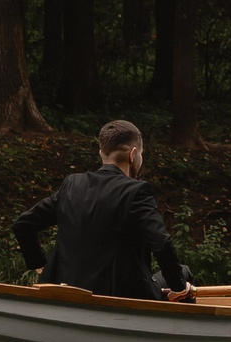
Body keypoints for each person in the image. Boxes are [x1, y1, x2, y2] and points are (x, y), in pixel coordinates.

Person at [14, 120, 196, 302]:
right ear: (133, 154)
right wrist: (178, 287)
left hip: (66, 290)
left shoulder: (72, 185)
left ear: (101, 153)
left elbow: (23, 225)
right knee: (184, 273)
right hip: (120, 298)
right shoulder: (137, 192)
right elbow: (162, 244)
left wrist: (41, 266)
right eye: (141, 154)